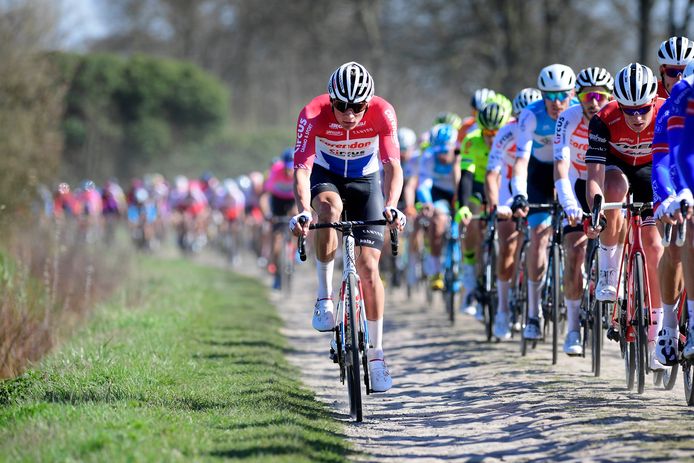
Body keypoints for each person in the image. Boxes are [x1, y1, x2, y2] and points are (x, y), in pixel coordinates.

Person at [289, 61, 405, 393]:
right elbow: (301, 168)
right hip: (327, 176)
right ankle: (324, 297)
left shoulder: (383, 112)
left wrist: (392, 204)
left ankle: (378, 356)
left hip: (366, 181)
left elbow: (392, 165)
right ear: (331, 100)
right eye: (341, 106)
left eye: (358, 107)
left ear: (369, 103)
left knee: (369, 269)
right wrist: (301, 210)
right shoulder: (313, 113)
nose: (349, 114)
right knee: (328, 209)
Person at [585, 63, 666, 370]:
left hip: (651, 168)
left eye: (642, 109)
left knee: (654, 244)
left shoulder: (665, 110)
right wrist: (596, 208)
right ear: (618, 103)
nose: (635, 117)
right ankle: (608, 269)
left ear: (652, 102)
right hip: (615, 166)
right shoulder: (603, 118)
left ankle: (660, 335)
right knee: (614, 188)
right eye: (628, 110)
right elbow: (593, 175)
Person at [511, 63, 578, 340]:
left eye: (562, 94)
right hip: (539, 176)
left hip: (571, 172)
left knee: (578, 238)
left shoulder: (578, 110)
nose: (556, 102)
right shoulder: (531, 115)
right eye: (548, 96)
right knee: (538, 238)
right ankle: (533, 314)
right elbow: (521, 162)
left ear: (572, 92)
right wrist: (519, 194)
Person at [553, 67, 614, 355]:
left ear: (609, 97)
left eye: (600, 95)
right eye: (587, 95)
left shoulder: (615, 115)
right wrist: (570, 206)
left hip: (606, 179)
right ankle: (573, 328)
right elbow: (561, 168)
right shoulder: (568, 117)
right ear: (578, 97)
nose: (593, 101)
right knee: (575, 249)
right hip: (576, 183)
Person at [486, 88, 542, 338]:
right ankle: (503, 311)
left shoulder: (547, 129)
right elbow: (492, 172)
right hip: (509, 189)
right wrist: (496, 205)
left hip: (538, 186)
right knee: (508, 246)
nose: (525, 122)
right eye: (521, 117)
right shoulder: (507, 132)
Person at [652, 61, 694, 363]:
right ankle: (672, 322)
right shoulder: (682, 94)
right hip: (679, 172)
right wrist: (673, 195)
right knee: (682, 240)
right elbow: (668, 154)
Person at [457, 94, 512, 319]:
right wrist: (464, 207)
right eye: (487, 133)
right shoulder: (471, 141)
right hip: (479, 186)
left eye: (495, 132)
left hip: (503, 185)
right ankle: (470, 280)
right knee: (473, 222)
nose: (491, 138)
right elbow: (466, 177)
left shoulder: (511, 138)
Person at [264, 148, 298, 289]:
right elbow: (265, 196)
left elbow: (303, 195)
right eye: (287, 168)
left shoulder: (299, 171)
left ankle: (294, 251)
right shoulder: (276, 171)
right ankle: (277, 272)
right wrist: (268, 213)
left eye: (292, 168)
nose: (289, 172)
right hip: (277, 201)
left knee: (297, 220)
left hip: (293, 199)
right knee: (276, 239)